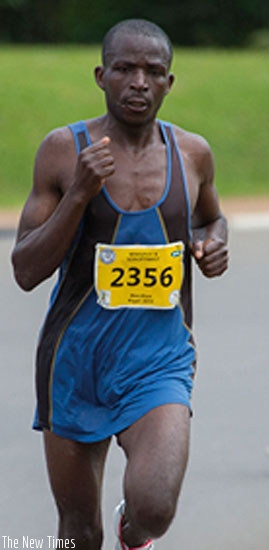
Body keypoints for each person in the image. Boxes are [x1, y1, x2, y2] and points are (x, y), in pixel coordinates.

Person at [12, 19, 228, 550]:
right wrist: (79, 194)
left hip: (160, 358)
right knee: (79, 535)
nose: (139, 82)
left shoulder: (192, 154)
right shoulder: (63, 151)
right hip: (75, 361)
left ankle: (134, 534)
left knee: (154, 507)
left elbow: (210, 219)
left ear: (169, 84)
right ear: (100, 75)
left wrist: (214, 242)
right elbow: (25, 269)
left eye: (154, 72)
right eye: (125, 69)